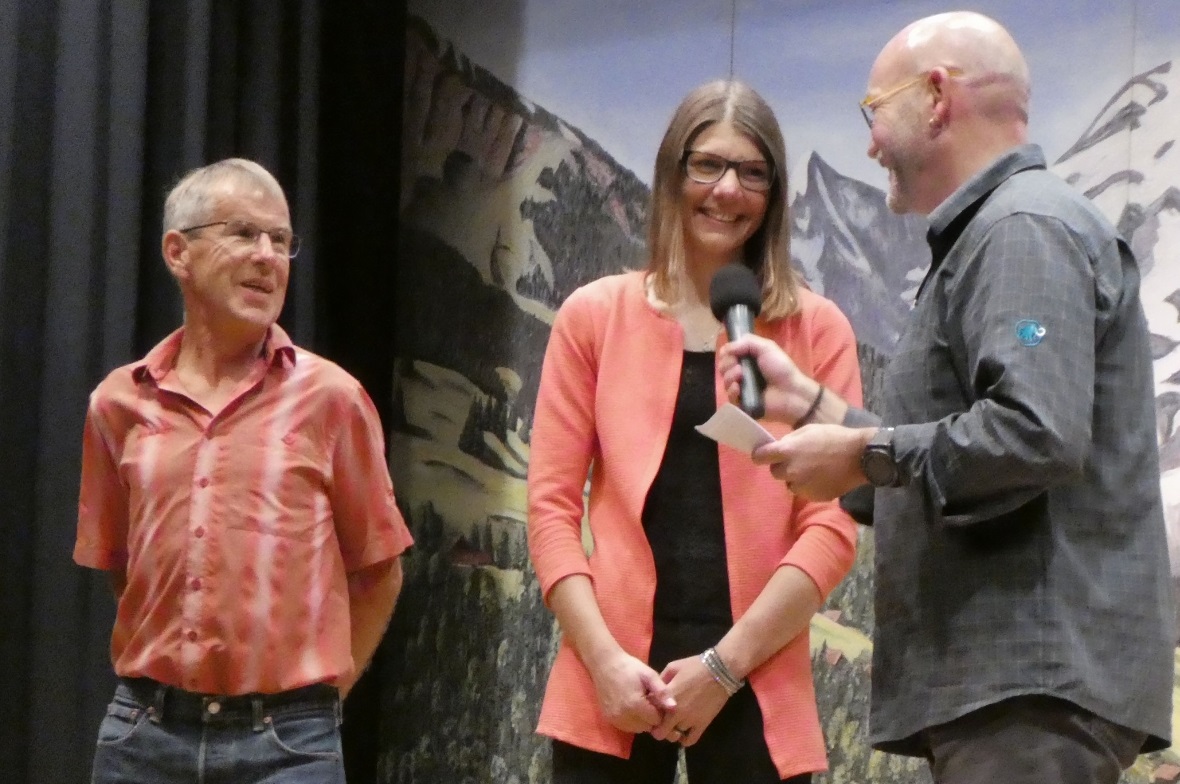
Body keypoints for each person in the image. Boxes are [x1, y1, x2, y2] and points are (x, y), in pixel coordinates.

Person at [719, 12, 1175, 784]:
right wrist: (814, 407)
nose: (869, 143)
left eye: (874, 113)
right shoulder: (1004, 231)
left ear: (935, 97)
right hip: (1015, 692)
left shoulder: (1021, 228)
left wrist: (865, 451)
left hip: (1029, 689)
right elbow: (959, 447)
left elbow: (1036, 433)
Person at [527, 80, 863, 783]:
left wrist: (723, 668)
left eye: (752, 172)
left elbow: (831, 528)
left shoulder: (816, 329)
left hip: (756, 676)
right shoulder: (594, 317)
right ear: (671, 175)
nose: (727, 190)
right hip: (611, 685)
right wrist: (603, 659)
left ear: (773, 195)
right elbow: (552, 511)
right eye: (707, 164)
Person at [73, 158, 414, 783]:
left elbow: (379, 568)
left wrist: (317, 703)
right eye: (243, 233)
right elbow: (124, 566)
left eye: (281, 242)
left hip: (287, 745)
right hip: (144, 735)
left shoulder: (332, 399)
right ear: (178, 252)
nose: (267, 256)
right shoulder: (117, 404)